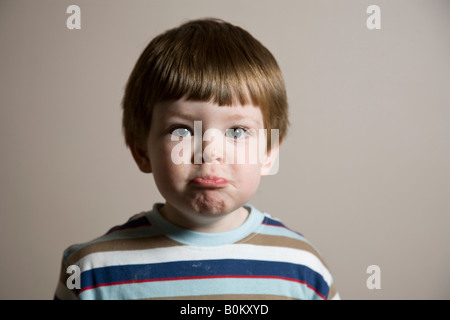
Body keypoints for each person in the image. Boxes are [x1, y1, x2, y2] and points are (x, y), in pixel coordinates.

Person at [54, 18, 339, 300]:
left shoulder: (304, 269)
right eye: (182, 130)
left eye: (237, 131)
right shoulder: (91, 272)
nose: (209, 152)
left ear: (268, 153)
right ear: (141, 151)